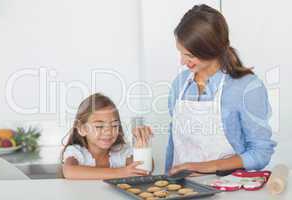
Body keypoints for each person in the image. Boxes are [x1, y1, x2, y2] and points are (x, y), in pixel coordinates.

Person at [165, 4, 276, 176]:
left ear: (211, 49)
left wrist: (205, 166)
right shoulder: (180, 84)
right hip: (182, 189)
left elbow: (260, 152)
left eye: (189, 55)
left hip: (226, 188)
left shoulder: (246, 87)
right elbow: (174, 144)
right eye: (181, 53)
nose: (182, 62)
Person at [62, 93, 152, 180]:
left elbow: (143, 170)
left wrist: (142, 148)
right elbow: (69, 171)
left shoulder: (121, 152)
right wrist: (121, 172)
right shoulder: (77, 152)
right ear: (82, 129)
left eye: (114, 125)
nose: (108, 132)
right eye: (99, 126)